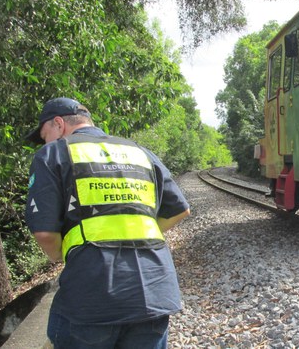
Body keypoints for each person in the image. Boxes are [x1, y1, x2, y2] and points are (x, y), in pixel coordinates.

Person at [24, 97, 191, 348]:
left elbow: (46, 233)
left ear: (59, 124)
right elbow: (180, 210)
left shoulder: (54, 152)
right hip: (154, 291)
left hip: (92, 294)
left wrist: (62, 253)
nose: (44, 141)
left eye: (44, 134)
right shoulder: (138, 151)